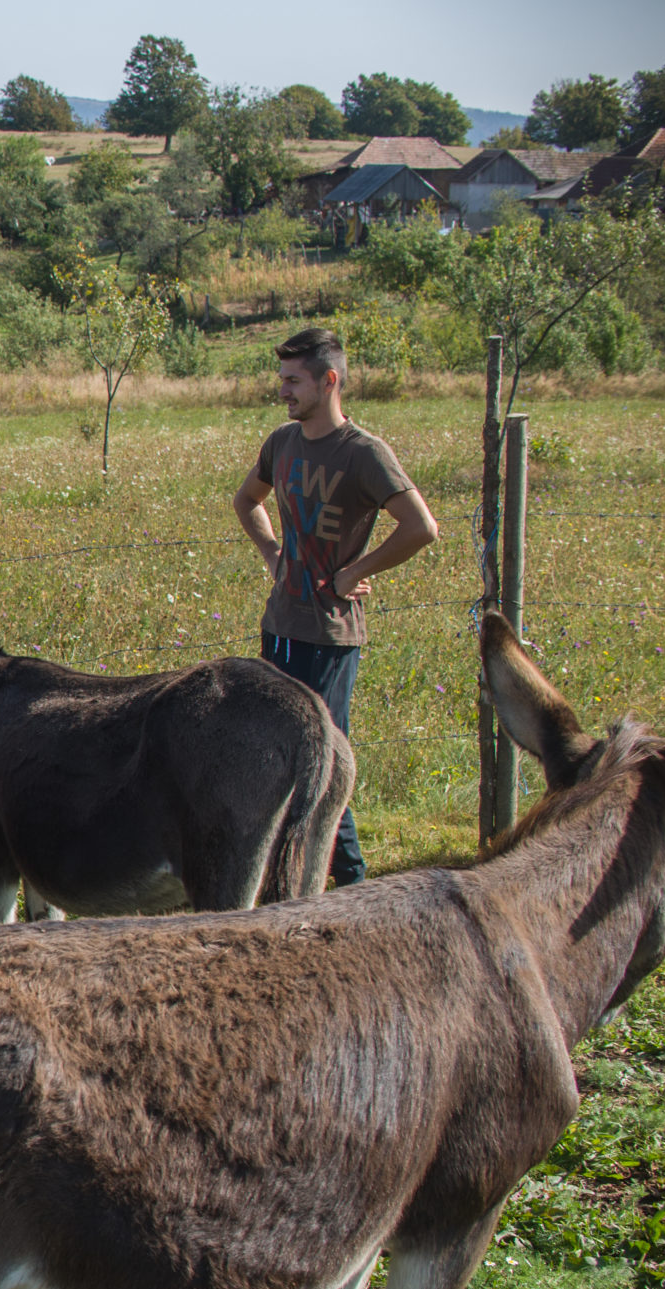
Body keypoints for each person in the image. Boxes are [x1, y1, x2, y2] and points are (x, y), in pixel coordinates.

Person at [232, 327, 439, 887]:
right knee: (274, 763)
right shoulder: (282, 443)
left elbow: (421, 528)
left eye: (294, 381)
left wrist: (356, 571)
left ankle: (350, 888)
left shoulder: (364, 454)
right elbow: (246, 500)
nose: (284, 392)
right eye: (281, 381)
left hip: (327, 637)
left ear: (330, 381)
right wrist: (273, 553)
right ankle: (286, 884)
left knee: (322, 769)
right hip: (278, 629)